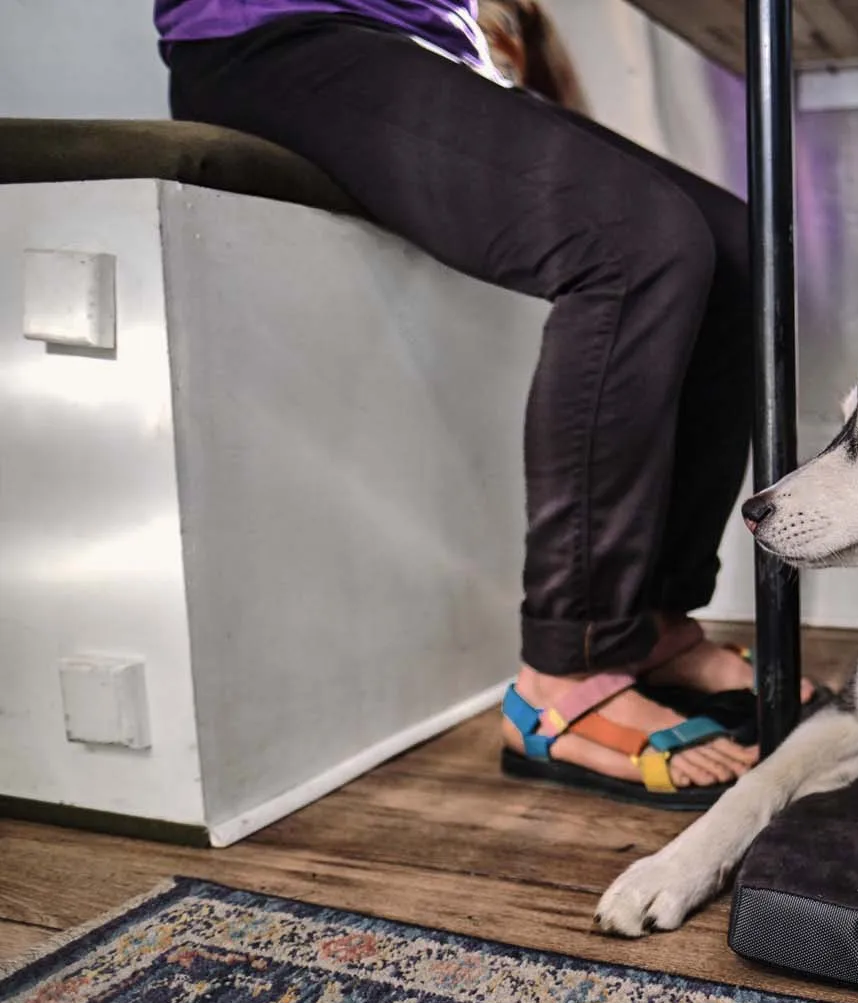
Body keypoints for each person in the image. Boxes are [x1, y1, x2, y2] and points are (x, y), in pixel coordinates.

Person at [155, 0, 812, 807]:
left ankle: (648, 624)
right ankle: (565, 670)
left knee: (739, 246)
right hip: (274, 41)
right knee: (634, 244)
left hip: (435, 54)